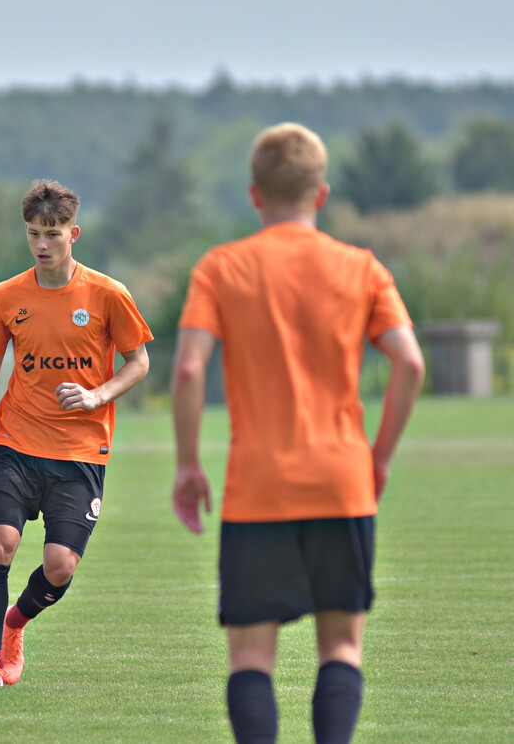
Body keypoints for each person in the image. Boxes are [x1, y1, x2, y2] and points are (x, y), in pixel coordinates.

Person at [170, 123, 425, 743]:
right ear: (322, 193)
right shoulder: (361, 268)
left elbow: (187, 369)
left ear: (255, 195)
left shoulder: (221, 267)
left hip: (258, 489)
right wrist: (380, 458)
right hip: (342, 482)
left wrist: (187, 465)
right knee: (340, 646)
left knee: (251, 658)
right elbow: (411, 363)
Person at [0, 179, 153, 692]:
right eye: (34, 233)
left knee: (58, 565)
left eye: (52, 234)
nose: (41, 244)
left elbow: (139, 362)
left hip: (80, 452)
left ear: (73, 233)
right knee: (0, 543)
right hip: (16, 443)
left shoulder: (107, 294)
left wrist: (99, 395)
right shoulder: (5, 297)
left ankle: (16, 623)